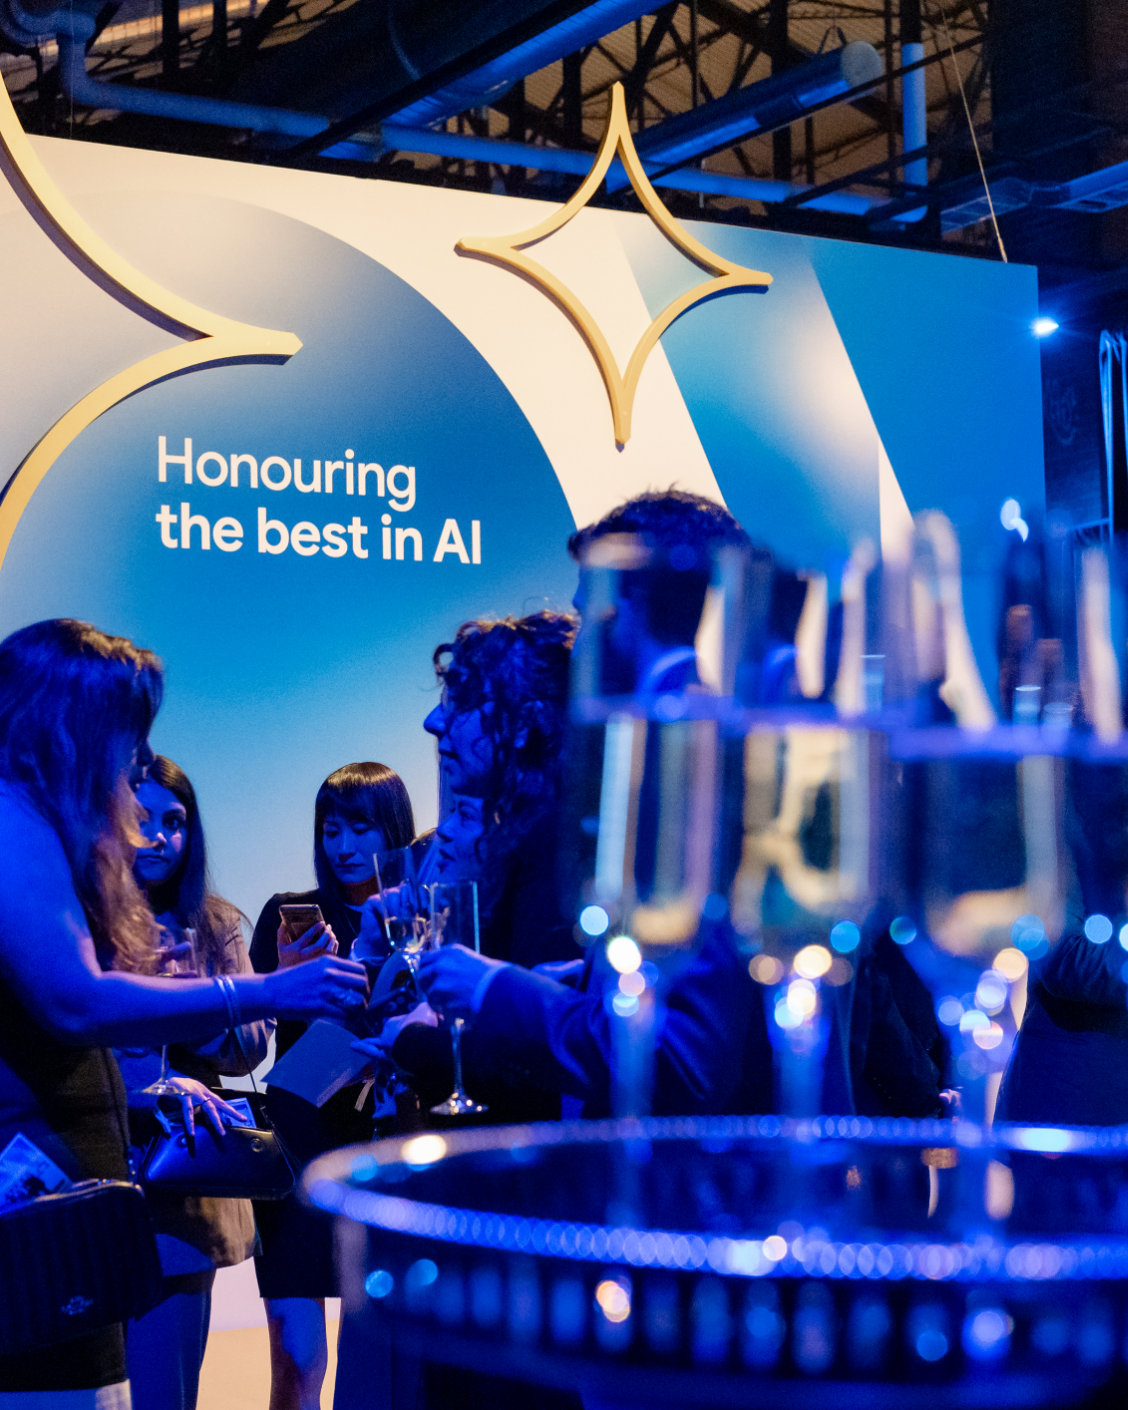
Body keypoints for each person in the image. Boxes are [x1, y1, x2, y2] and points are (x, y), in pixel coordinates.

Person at [0, 619, 368, 1408]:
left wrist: (155, 1087)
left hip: (64, 1206)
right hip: (33, 1210)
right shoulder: (11, 819)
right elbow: (74, 1002)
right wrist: (269, 990)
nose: (135, 767)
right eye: (128, 737)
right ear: (68, 722)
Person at [248, 761, 415, 1410]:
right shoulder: (290, 917)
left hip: (380, 1150)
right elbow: (253, 1036)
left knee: (375, 1356)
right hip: (296, 1147)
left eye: (360, 828)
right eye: (330, 829)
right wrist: (288, 979)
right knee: (297, 1360)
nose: (342, 846)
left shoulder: (417, 919)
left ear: (393, 829)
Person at [116, 755, 272, 1410]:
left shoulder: (214, 923)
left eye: (175, 821)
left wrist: (195, 1002)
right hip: (90, 1174)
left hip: (181, 1190)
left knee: (166, 1393)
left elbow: (250, 1047)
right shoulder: (71, 920)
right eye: (141, 817)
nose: (159, 836)